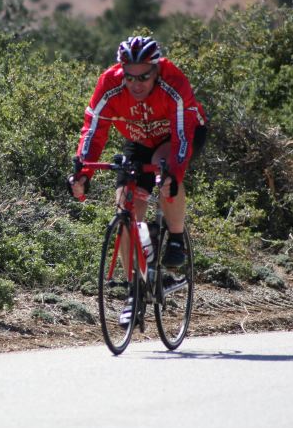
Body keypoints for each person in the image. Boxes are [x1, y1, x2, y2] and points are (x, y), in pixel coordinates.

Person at [69, 35, 207, 325]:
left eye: (144, 76)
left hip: (179, 135)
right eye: (130, 77)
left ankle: (177, 239)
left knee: (164, 168)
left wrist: (173, 173)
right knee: (126, 208)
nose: (136, 83)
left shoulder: (174, 82)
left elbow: (183, 136)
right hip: (139, 140)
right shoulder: (110, 83)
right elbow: (93, 129)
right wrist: (83, 171)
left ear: (157, 69)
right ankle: (135, 291)